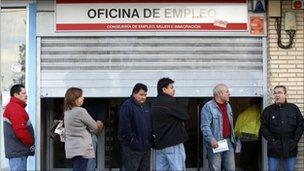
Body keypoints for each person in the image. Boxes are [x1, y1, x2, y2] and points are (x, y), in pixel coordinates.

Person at [260, 85, 304, 171]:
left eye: (279, 92)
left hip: (290, 148)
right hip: (273, 149)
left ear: (285, 95)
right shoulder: (268, 110)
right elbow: (263, 128)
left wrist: (295, 140)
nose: (277, 95)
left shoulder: (293, 108)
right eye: (275, 93)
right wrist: (271, 140)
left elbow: (301, 125)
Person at [151, 78, 189, 170]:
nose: (174, 90)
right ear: (164, 89)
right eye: (171, 87)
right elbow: (185, 116)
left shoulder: (154, 103)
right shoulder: (170, 101)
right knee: (178, 168)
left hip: (160, 145)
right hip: (173, 144)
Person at [63, 87, 103, 171]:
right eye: (81, 96)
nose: (83, 98)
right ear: (75, 98)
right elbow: (95, 127)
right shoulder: (81, 111)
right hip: (82, 149)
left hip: (72, 148)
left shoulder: (67, 112)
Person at [200, 83, 236, 171]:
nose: (229, 94)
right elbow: (205, 126)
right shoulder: (208, 107)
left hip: (228, 141)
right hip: (215, 142)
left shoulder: (228, 106)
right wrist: (211, 139)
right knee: (215, 168)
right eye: (227, 92)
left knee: (231, 168)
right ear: (220, 94)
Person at [118, 83, 151, 171]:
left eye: (145, 95)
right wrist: (133, 141)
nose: (143, 97)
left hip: (146, 148)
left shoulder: (146, 107)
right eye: (141, 94)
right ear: (134, 94)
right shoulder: (127, 106)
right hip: (132, 149)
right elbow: (124, 127)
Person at [3, 84, 35, 171]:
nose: (26, 95)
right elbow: (20, 131)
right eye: (23, 93)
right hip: (18, 152)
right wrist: (30, 142)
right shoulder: (15, 108)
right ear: (16, 95)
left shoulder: (15, 107)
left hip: (17, 151)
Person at [235, 98, 261, 171]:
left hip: (247, 140)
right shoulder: (259, 111)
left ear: (250, 103)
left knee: (244, 163)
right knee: (254, 162)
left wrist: (238, 136)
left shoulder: (246, 112)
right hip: (257, 140)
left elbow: (238, 126)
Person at [84, 100, 108, 171]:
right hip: (76, 137)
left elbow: (98, 127)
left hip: (89, 136)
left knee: (89, 164)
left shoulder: (100, 102)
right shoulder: (77, 108)